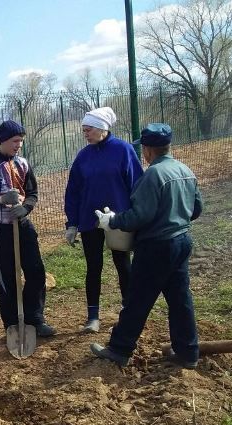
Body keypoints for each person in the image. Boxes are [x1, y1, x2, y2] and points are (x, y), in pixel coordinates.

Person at [91, 123, 202, 368]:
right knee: (180, 298)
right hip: (182, 241)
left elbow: (140, 216)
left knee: (137, 299)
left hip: (156, 246)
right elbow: (196, 210)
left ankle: (120, 349)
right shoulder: (185, 170)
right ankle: (188, 352)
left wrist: (113, 221)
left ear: (149, 150)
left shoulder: (153, 175)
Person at [0, 120, 56, 337]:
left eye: (21, 141)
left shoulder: (23, 164)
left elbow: (32, 192)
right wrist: (0, 199)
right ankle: (12, 324)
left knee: (36, 272)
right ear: (3, 141)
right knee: (5, 278)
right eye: (16, 141)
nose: (19, 145)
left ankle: (34, 317)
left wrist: (25, 208)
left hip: (22, 226)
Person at [64, 107, 144, 333]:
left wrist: (136, 217)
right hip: (90, 221)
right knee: (93, 267)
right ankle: (93, 317)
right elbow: (74, 191)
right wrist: (72, 223)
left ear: (102, 129)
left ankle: (129, 315)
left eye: (88, 130)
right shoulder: (83, 156)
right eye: (83, 130)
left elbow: (137, 185)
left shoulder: (124, 150)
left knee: (123, 265)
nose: (85, 134)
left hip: (119, 221)